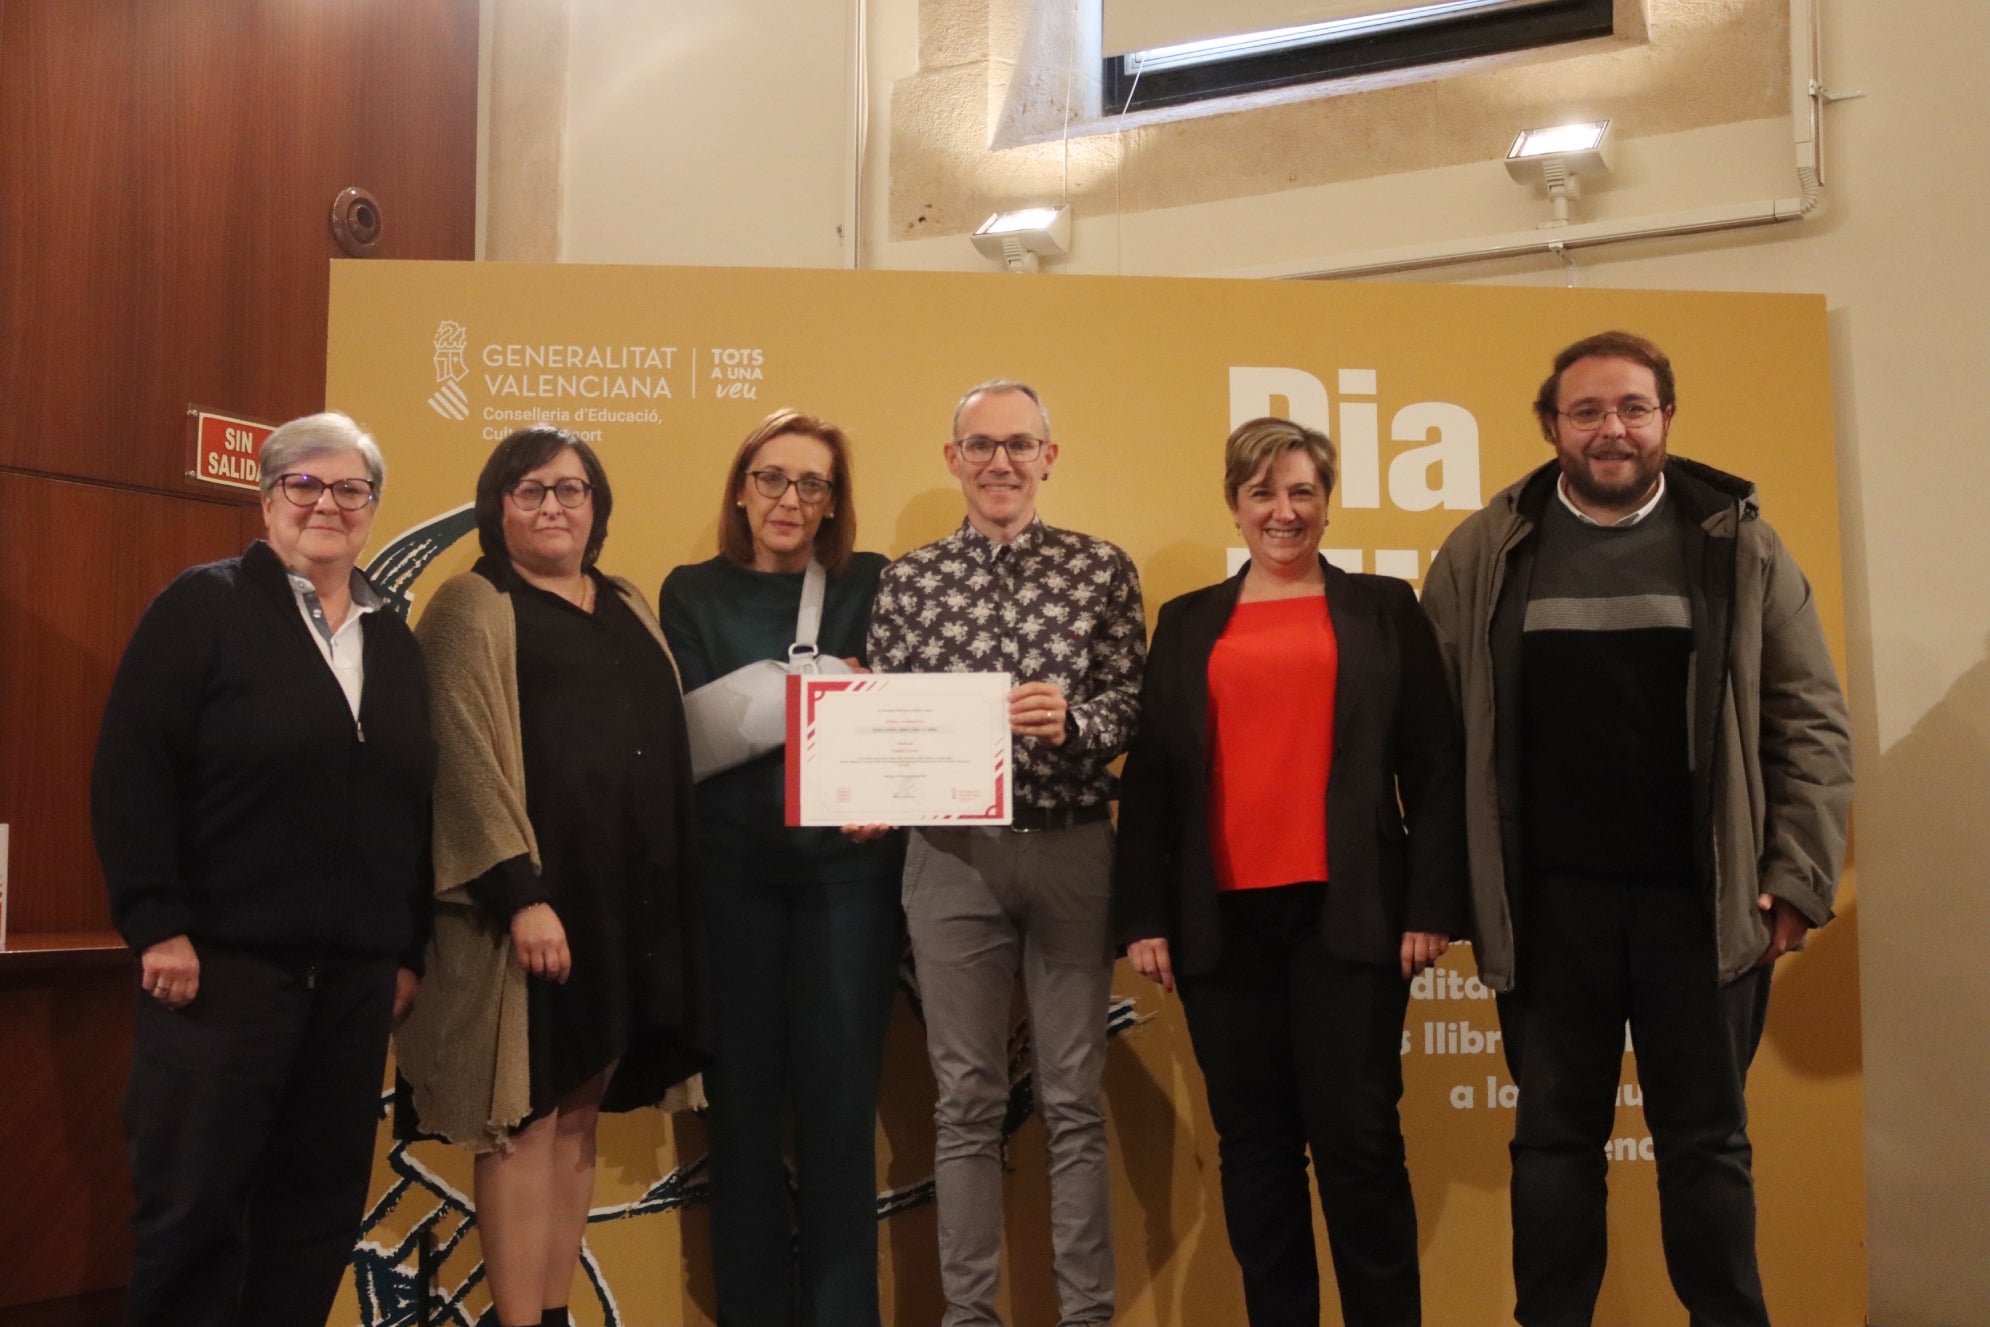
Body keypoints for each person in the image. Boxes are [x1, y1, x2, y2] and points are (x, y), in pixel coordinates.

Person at [1420, 331, 1854, 1327]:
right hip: (1546, 910)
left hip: (1701, 909)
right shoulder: (1486, 548)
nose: (1609, 430)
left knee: (1705, 1146)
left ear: (1665, 419)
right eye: (1586, 411)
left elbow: (1809, 717)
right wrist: (1448, 889)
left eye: (1631, 408)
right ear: (1551, 425)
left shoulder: (1737, 542)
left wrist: (1796, 880)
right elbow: (1434, 736)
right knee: (1551, 1149)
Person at [1113, 416, 1466, 1327]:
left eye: (1302, 491)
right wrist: (1144, 916)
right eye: (1263, 493)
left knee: (1357, 1142)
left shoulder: (1386, 608)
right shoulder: (1187, 622)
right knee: (1256, 1150)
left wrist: (1430, 903)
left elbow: (1434, 768)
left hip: (1350, 915)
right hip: (1218, 925)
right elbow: (1152, 779)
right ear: (1235, 505)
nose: (1284, 511)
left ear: (1326, 501)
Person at [90, 412, 435, 1327]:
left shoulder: (394, 643)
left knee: (315, 1215)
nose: (328, 504)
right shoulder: (202, 607)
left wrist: (408, 949)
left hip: (354, 984)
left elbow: (415, 806)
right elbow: (131, 771)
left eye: (350, 489)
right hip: (219, 971)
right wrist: (156, 920)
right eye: (305, 485)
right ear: (267, 496)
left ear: (372, 507)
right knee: (194, 1210)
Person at [394, 425, 706, 1327]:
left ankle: (556, 1311)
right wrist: (521, 895)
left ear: (597, 507)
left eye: (571, 490)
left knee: (577, 1119)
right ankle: (516, 1319)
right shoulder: (470, 604)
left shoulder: (629, 601)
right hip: (530, 911)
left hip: (623, 903)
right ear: (499, 507)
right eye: (531, 490)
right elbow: (459, 765)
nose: (553, 507)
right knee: (522, 1123)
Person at [866, 379, 1144, 1327]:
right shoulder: (906, 581)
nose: (1001, 462)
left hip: (1070, 845)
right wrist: (867, 780)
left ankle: (1087, 1315)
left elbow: (1131, 701)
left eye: (1020, 444)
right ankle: (970, 1317)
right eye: (981, 445)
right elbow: (888, 722)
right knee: (966, 1100)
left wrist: (1076, 720)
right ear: (953, 459)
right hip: (950, 856)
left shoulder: (1102, 569)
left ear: (1049, 457)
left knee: (1073, 1097)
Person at [658, 409, 903, 1327]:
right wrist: (810, 686)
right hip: (733, 884)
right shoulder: (690, 592)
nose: (789, 499)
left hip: (848, 881)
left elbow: (901, 709)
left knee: (842, 1125)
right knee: (744, 1125)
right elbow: (687, 731)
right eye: (772, 477)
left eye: (812, 483)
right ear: (740, 486)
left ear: (835, 501)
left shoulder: (872, 583)